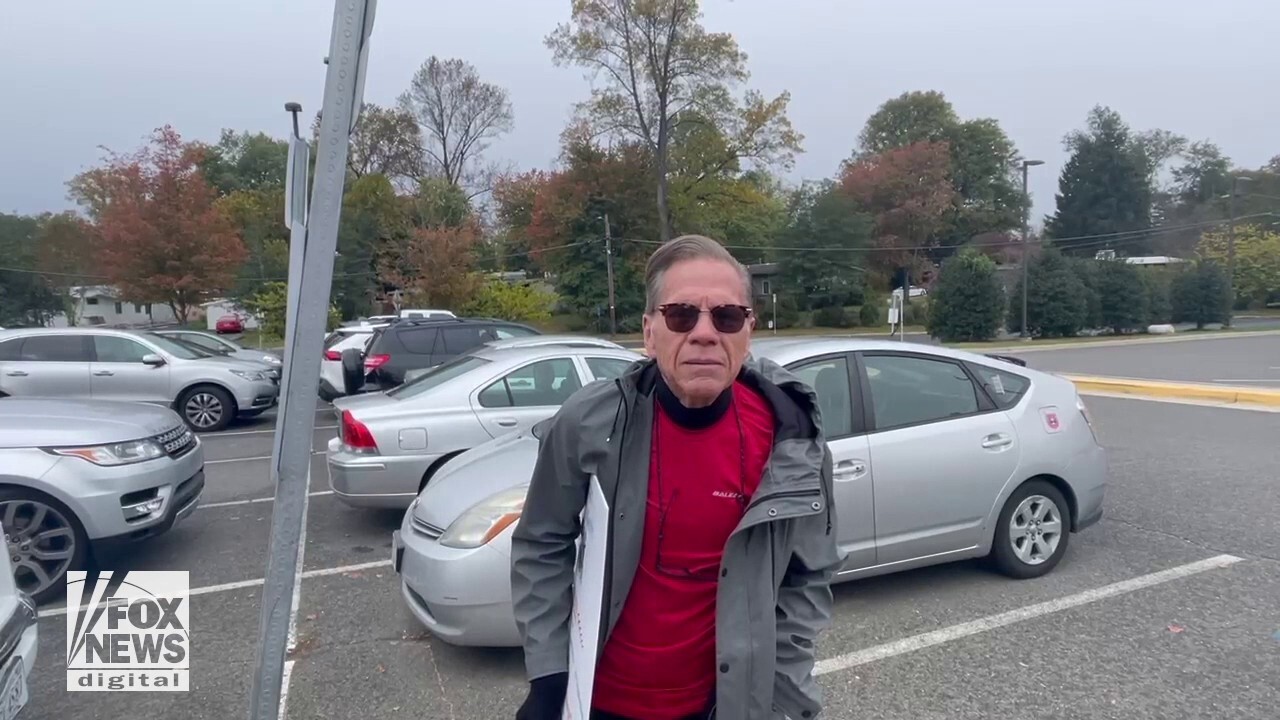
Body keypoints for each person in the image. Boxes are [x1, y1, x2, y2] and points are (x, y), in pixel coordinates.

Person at [510, 234, 842, 720]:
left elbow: (807, 577)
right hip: (599, 703)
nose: (705, 333)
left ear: (748, 332)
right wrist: (548, 675)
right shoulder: (589, 422)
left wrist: (782, 697)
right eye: (682, 315)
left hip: (721, 707)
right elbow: (541, 542)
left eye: (727, 317)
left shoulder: (792, 438)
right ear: (649, 333)